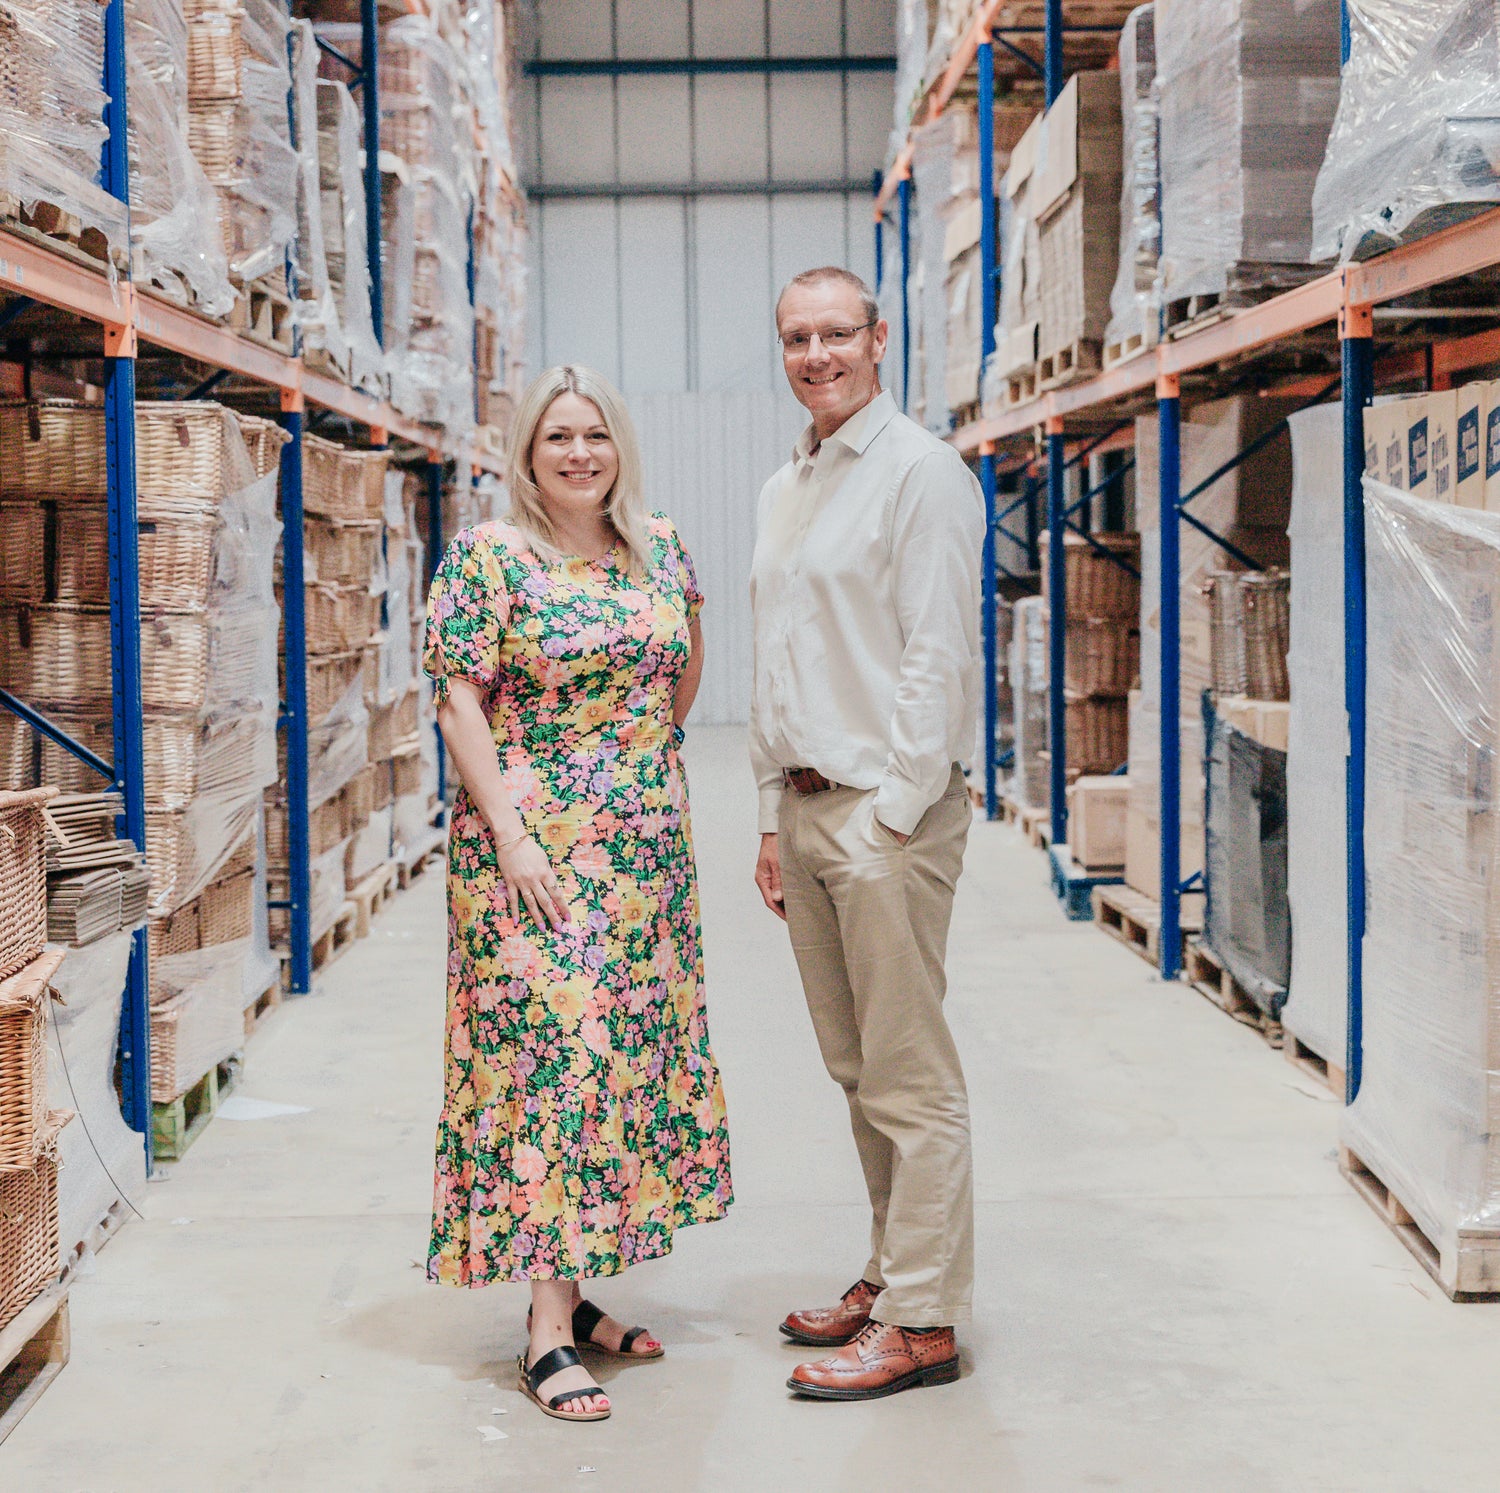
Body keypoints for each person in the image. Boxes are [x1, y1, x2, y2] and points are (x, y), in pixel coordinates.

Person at [423, 364, 733, 1424]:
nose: (579, 452)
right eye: (557, 435)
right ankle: (546, 1333)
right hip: (530, 857)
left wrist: (634, 762)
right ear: (528, 450)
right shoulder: (489, 555)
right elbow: (458, 703)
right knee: (553, 1065)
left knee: (621, 1066)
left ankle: (575, 1290)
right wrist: (516, 826)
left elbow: (683, 667)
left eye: (595, 433)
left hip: (643, 857)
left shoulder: (661, 546)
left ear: (619, 446)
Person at [749, 266, 983, 1401]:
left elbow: (939, 653)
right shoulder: (786, 485)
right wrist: (770, 813)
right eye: (797, 338)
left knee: (910, 1074)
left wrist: (893, 811)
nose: (817, 356)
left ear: (878, 339)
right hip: (806, 810)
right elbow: (779, 655)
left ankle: (924, 1319)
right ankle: (892, 1272)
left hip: (883, 815)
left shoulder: (920, 473)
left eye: (836, 333)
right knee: (856, 1070)